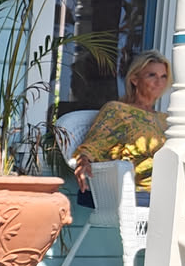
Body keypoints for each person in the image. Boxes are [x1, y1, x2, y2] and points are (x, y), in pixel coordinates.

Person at [73, 52, 170, 207]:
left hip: (166, 189)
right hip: (136, 192)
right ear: (135, 79)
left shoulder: (165, 119)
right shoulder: (118, 111)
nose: (159, 82)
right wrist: (83, 161)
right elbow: (92, 147)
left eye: (163, 76)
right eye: (152, 75)